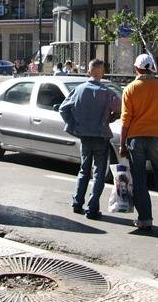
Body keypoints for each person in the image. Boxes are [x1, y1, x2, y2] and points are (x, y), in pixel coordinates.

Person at [119, 53, 158, 230]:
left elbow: (125, 119)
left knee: (139, 180)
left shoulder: (130, 89)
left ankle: (145, 220)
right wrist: (156, 114)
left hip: (135, 138)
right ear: (152, 69)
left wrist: (122, 144)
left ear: (137, 69)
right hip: (156, 137)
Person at [59, 59, 121, 219]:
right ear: (102, 72)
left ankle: (77, 202)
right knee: (99, 172)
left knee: (83, 170)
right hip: (101, 136)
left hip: (84, 136)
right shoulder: (108, 93)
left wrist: (73, 125)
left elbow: (63, 109)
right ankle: (92, 208)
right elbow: (120, 109)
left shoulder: (79, 90)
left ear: (88, 71)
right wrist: (111, 118)